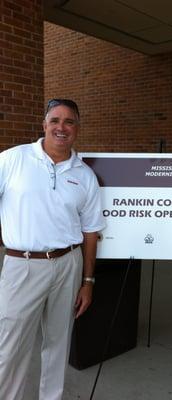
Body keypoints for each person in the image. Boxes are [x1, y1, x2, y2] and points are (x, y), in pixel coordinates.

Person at [0, 99, 105, 400]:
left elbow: (91, 232)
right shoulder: (12, 160)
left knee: (59, 343)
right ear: (44, 125)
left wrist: (88, 281)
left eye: (69, 121)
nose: (62, 127)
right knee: (12, 345)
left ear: (77, 129)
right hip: (23, 266)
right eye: (55, 120)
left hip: (68, 264)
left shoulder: (84, 175)